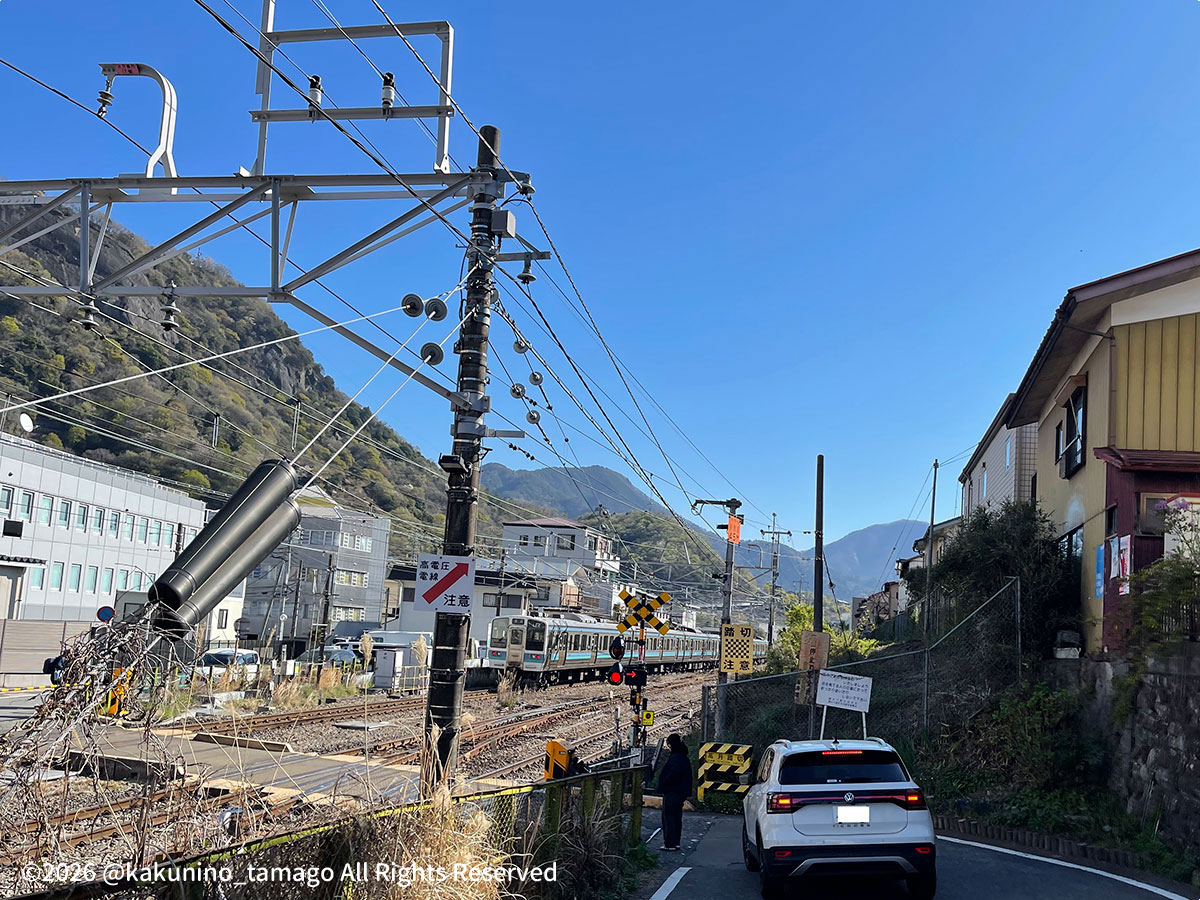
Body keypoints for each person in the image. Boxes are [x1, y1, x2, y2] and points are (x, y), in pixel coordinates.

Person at [657, 733, 692, 851]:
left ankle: (670, 843)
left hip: (672, 791)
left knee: (669, 818)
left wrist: (664, 782)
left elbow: (673, 774)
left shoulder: (675, 758)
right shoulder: (683, 757)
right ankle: (676, 842)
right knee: (677, 818)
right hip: (681, 792)